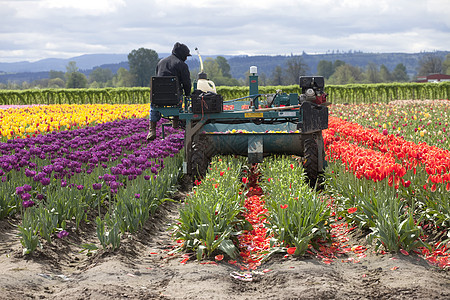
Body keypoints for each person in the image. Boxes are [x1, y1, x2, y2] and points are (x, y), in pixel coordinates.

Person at [147, 42, 192, 140]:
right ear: (182, 55)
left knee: (153, 105)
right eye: (186, 56)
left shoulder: (161, 62)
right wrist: (188, 95)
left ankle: (152, 130)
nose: (186, 58)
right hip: (174, 99)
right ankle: (175, 120)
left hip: (157, 98)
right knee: (178, 95)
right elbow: (186, 83)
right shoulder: (182, 65)